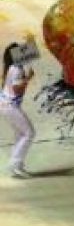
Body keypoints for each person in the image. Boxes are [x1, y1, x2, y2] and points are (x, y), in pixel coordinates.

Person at [1, 39, 36, 178]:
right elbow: (17, 90)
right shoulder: (16, 69)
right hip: (10, 106)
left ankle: (17, 165)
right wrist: (28, 79)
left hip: (6, 105)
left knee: (21, 134)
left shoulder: (12, 67)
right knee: (29, 133)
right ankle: (15, 164)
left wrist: (26, 77)